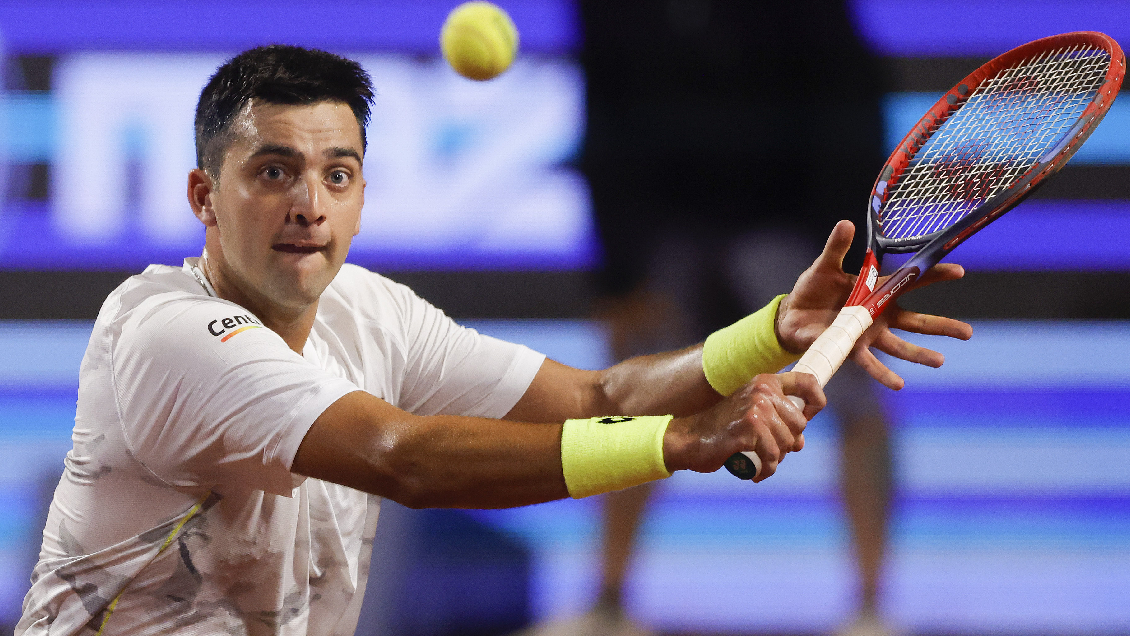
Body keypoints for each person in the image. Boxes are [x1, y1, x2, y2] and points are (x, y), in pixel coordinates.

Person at [16, 45, 969, 636]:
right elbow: (406, 458)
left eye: (337, 174)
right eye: (273, 171)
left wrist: (769, 333)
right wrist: (683, 445)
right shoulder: (166, 331)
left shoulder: (373, 312)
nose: (309, 205)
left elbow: (601, 396)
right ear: (202, 198)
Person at [539, 3, 903, 636]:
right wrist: (621, 275)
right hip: (665, 237)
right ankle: (606, 605)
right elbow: (609, 116)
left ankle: (871, 614)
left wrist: (857, 264)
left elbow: (849, 103)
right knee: (628, 405)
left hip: (798, 235)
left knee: (855, 409)